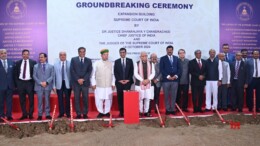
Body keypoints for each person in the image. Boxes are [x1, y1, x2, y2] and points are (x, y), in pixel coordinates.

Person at [91, 49, 115, 118]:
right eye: (104, 55)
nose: (106, 56)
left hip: (108, 85)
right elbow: (93, 75)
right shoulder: (96, 63)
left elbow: (113, 75)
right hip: (99, 85)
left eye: (107, 55)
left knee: (108, 99)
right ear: (101, 55)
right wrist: (93, 83)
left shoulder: (111, 63)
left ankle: (107, 112)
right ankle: (101, 112)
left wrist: (113, 83)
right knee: (99, 99)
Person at [14, 49, 37, 120]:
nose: (25, 55)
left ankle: (30, 114)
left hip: (29, 83)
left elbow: (35, 74)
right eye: (24, 54)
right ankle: (24, 114)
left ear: (29, 55)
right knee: (22, 100)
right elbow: (15, 74)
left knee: (31, 99)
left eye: (27, 54)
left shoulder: (33, 62)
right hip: (21, 83)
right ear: (22, 55)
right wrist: (17, 83)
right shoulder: (18, 62)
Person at [70, 47, 93, 119]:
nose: (82, 53)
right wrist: (78, 79)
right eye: (80, 52)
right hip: (76, 83)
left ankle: (85, 113)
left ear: (85, 52)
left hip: (85, 83)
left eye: (83, 52)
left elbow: (89, 71)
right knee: (77, 99)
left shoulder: (88, 60)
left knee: (85, 99)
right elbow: (72, 70)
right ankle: (78, 114)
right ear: (78, 52)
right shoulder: (73, 59)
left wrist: (83, 79)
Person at [160, 45, 181, 115]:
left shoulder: (176, 58)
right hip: (166, 80)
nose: (169, 51)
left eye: (171, 50)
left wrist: (175, 76)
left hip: (175, 80)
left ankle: (172, 109)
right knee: (166, 95)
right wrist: (168, 76)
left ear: (172, 50)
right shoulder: (162, 58)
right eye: (168, 50)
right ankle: (168, 109)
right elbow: (162, 69)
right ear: (166, 50)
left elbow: (179, 69)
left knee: (173, 95)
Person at [33, 53, 54, 120]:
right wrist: (40, 83)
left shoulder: (51, 66)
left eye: (42, 57)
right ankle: (40, 115)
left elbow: (52, 76)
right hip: (39, 86)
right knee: (39, 101)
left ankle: (47, 114)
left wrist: (47, 82)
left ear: (46, 58)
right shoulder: (35, 66)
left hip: (47, 86)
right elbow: (34, 76)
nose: (40, 59)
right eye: (40, 57)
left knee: (47, 100)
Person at [114, 48, 134, 117]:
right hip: (119, 83)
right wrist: (120, 80)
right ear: (119, 53)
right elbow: (115, 72)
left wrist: (128, 80)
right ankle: (121, 112)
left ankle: (127, 111)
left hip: (128, 82)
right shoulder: (116, 61)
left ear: (126, 53)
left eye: (123, 52)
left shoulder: (130, 61)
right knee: (120, 98)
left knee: (127, 98)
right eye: (121, 52)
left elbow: (131, 71)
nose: (122, 54)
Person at [134, 51, 155, 117]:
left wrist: (148, 80)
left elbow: (153, 73)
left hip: (148, 84)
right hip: (139, 84)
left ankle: (146, 112)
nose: (144, 57)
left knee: (147, 98)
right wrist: (142, 80)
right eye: (143, 56)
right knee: (140, 99)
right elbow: (135, 73)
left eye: (145, 56)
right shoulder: (136, 63)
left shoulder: (151, 63)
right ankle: (140, 112)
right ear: (140, 57)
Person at [53, 51, 71, 118]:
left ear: (66, 56)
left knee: (67, 99)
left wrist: (72, 85)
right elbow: (54, 76)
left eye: (64, 55)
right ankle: (61, 113)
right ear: (59, 56)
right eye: (61, 55)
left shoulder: (70, 63)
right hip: (59, 84)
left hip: (67, 84)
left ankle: (68, 113)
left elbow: (71, 75)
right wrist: (54, 86)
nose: (62, 56)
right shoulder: (55, 64)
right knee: (60, 99)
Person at [0, 49, 15, 121]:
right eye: (2, 53)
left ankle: (9, 115)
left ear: (7, 54)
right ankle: (1, 116)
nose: (3, 54)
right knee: (1, 102)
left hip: (10, 86)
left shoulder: (11, 62)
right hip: (0, 86)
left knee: (9, 102)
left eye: (5, 53)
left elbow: (14, 75)